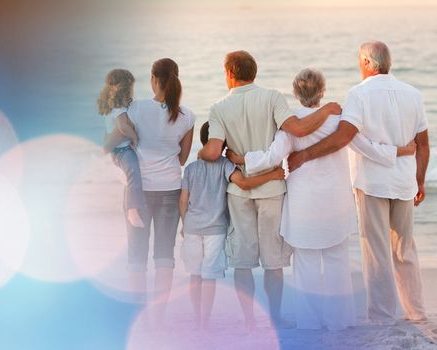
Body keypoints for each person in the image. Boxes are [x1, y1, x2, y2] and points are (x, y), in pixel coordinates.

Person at [230, 68, 416, 330]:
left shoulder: (291, 125)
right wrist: (401, 151)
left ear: (295, 93)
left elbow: (271, 157)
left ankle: (309, 322)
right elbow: (365, 147)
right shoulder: (338, 120)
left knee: (305, 264)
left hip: (304, 204)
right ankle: (338, 321)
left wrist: (242, 159)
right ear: (322, 92)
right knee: (336, 261)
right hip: (335, 203)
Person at [286, 41, 430, 325]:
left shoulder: (359, 94)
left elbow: (345, 136)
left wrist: (305, 154)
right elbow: (423, 144)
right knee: (405, 250)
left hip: (372, 183)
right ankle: (416, 313)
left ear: (366, 62)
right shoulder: (413, 94)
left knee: (376, 252)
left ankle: (383, 315)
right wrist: (420, 181)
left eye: (358, 61)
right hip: (403, 183)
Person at [198, 50, 342, 329]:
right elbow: (297, 130)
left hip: (239, 192)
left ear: (229, 73)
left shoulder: (218, 108)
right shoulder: (273, 97)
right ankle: (275, 317)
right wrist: (325, 110)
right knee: (272, 260)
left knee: (242, 260)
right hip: (273, 189)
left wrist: (200, 155)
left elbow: (214, 150)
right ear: (254, 71)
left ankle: (251, 320)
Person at [179, 122, 285, 330]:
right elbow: (244, 183)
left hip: (192, 228)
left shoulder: (191, 168)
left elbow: (183, 200)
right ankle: (205, 320)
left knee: (195, 274)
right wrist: (273, 175)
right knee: (209, 277)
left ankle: (198, 319)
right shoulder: (225, 166)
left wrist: (184, 222)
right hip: (215, 230)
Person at [115, 58, 194, 327]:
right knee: (164, 255)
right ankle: (158, 317)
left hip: (139, 191)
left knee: (136, 255)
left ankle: (140, 315)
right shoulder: (187, 116)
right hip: (170, 189)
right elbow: (183, 158)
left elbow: (119, 140)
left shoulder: (134, 109)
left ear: (153, 79)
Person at [99, 69, 147, 229]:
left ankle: (131, 209)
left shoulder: (112, 107)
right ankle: (132, 210)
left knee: (131, 178)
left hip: (118, 151)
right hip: (122, 151)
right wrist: (134, 136)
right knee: (134, 174)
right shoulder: (119, 108)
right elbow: (122, 127)